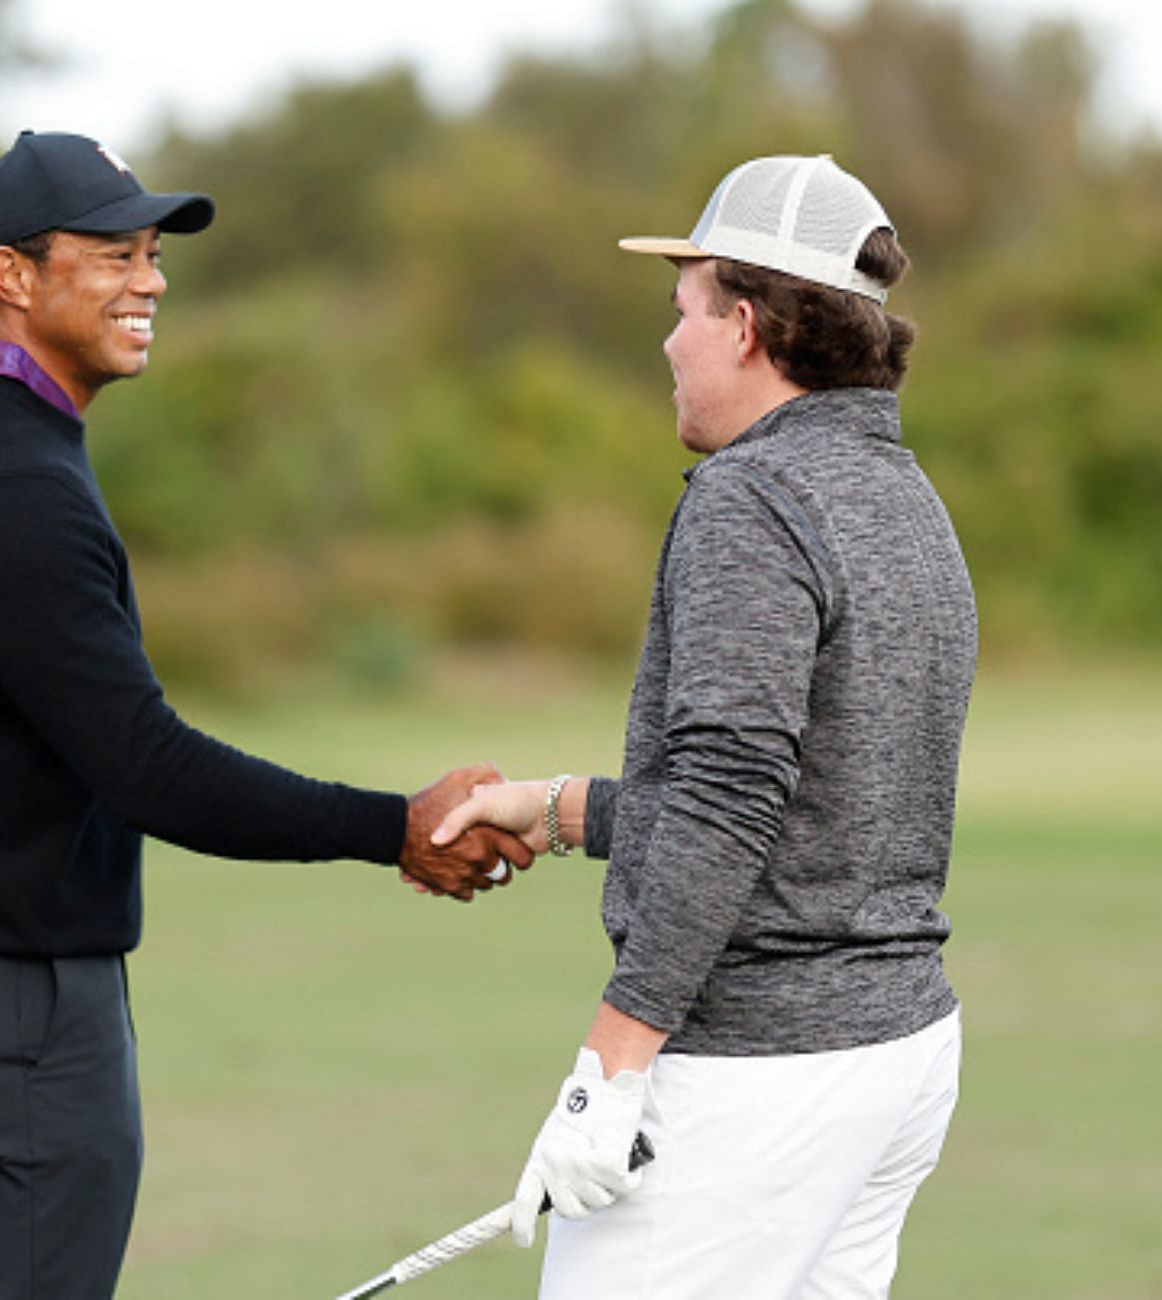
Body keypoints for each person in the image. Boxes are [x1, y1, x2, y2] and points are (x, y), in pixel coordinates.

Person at [0, 130, 527, 1300]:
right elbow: (147, 765)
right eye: (114, 254)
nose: (151, 280)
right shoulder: (14, 481)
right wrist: (392, 825)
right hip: (9, 1013)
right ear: (14, 275)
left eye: (152, 254)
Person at [432, 154, 978, 1299]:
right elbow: (811, 797)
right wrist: (562, 805)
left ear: (744, 325)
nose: (667, 344)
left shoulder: (752, 498)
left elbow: (735, 800)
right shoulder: (905, 493)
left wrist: (607, 1069)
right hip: (897, 1055)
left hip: (759, 1078)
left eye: (681, 312)